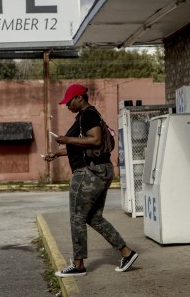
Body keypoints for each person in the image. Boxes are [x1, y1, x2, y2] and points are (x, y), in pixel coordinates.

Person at [43, 83, 139, 277]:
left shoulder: (88, 115)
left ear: (79, 98)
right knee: (94, 218)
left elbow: (95, 140)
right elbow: (83, 146)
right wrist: (58, 153)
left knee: (77, 217)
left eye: (69, 102)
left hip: (89, 173)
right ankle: (126, 253)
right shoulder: (85, 116)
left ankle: (78, 265)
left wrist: (66, 139)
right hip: (100, 169)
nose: (67, 106)